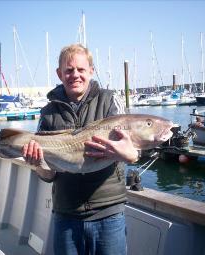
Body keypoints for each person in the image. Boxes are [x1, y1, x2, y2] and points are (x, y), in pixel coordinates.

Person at [22, 44, 139, 255]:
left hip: (108, 214)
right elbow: (48, 176)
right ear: (59, 74)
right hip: (66, 215)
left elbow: (133, 153)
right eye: (68, 70)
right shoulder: (48, 113)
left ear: (91, 71)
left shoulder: (110, 101)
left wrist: (128, 154)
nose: (75, 75)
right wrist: (37, 163)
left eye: (81, 69)